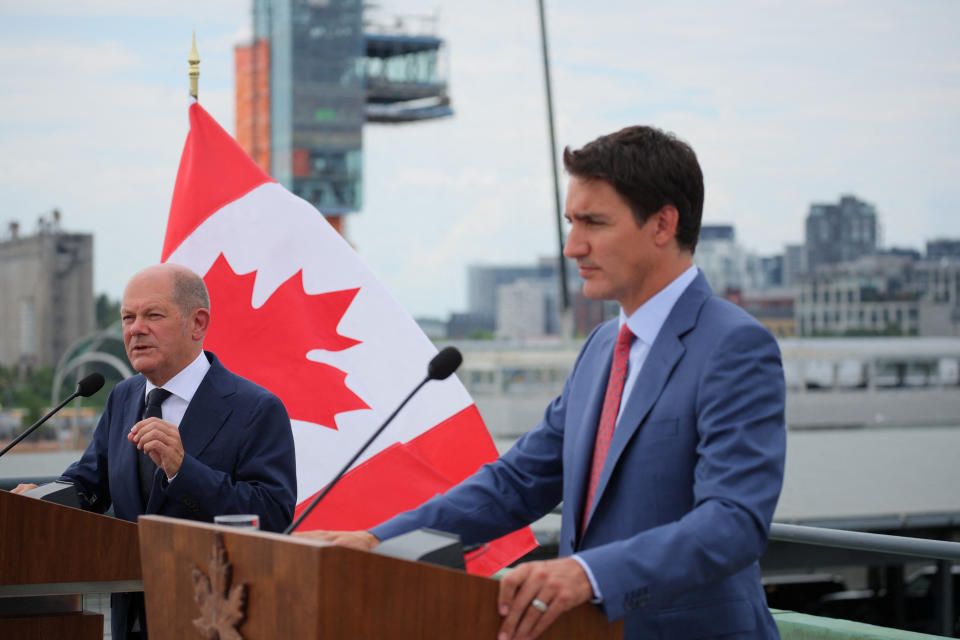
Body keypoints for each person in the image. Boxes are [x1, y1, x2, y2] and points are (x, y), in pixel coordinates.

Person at [298, 125, 786, 640]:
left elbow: (734, 521)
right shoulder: (601, 347)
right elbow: (517, 483)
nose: (573, 247)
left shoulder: (734, 347)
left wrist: (587, 573)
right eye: (571, 222)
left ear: (663, 224)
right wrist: (378, 543)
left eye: (594, 222)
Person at [14, 262, 297, 639]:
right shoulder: (122, 396)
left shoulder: (256, 409)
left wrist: (183, 470)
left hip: (216, 621)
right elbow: (88, 485)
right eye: (127, 317)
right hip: (131, 620)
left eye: (153, 315)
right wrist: (39, 502)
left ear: (197, 324)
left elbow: (273, 515)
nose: (135, 329)